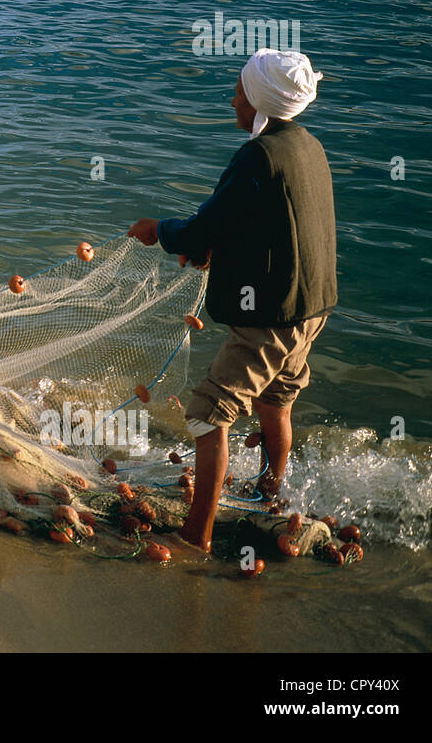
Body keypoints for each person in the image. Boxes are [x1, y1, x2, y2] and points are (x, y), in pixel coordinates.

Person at [128, 48, 336, 554]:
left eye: (240, 91)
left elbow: (211, 221)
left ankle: (195, 534)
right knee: (275, 402)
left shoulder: (257, 155)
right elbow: (272, 225)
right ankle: (270, 494)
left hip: (271, 316)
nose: (234, 100)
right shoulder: (308, 146)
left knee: (207, 413)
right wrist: (211, 249)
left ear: (260, 102)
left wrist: (162, 232)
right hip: (312, 307)